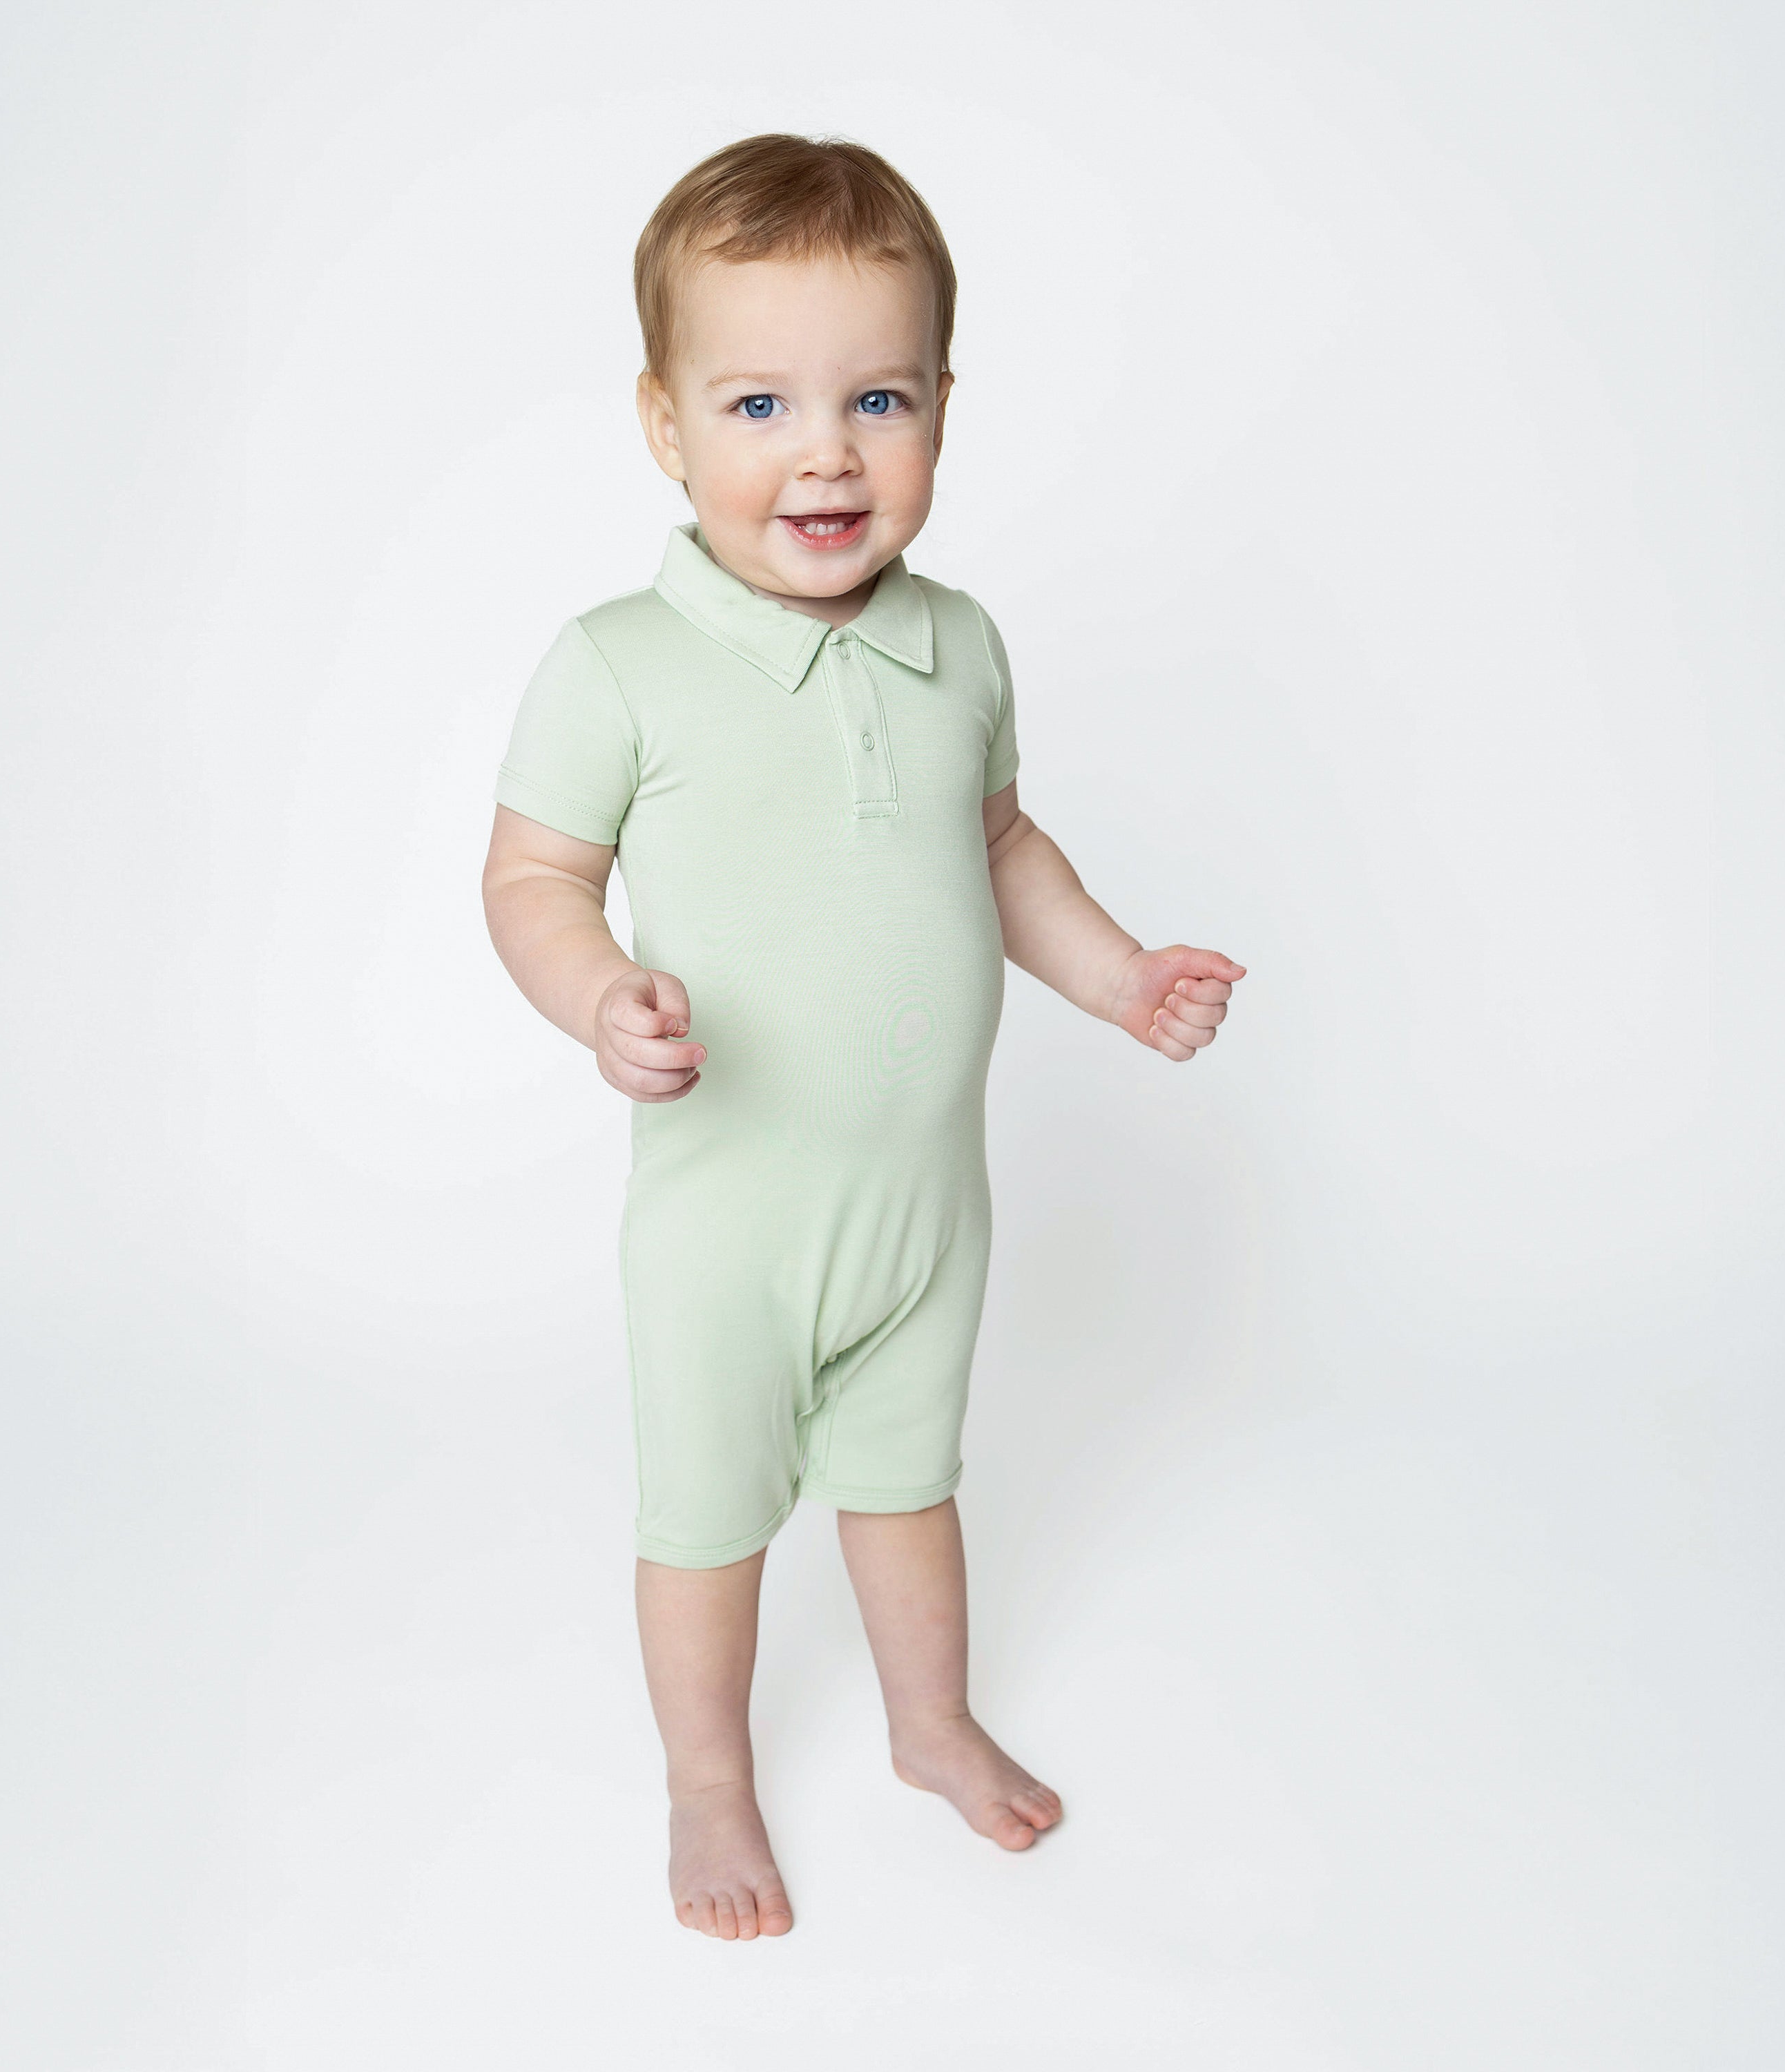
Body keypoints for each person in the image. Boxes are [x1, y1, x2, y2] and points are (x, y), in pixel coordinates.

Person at [481, 133, 1246, 1942]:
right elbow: (529, 874)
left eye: (877, 397)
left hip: (923, 1210)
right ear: (668, 425)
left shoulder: (958, 644)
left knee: (912, 1484)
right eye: (760, 402)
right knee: (713, 1521)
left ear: (942, 413)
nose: (823, 450)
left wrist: (1122, 975)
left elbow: (996, 849)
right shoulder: (620, 663)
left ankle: (926, 1722)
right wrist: (598, 992)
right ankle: (710, 1784)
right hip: (728, 1231)